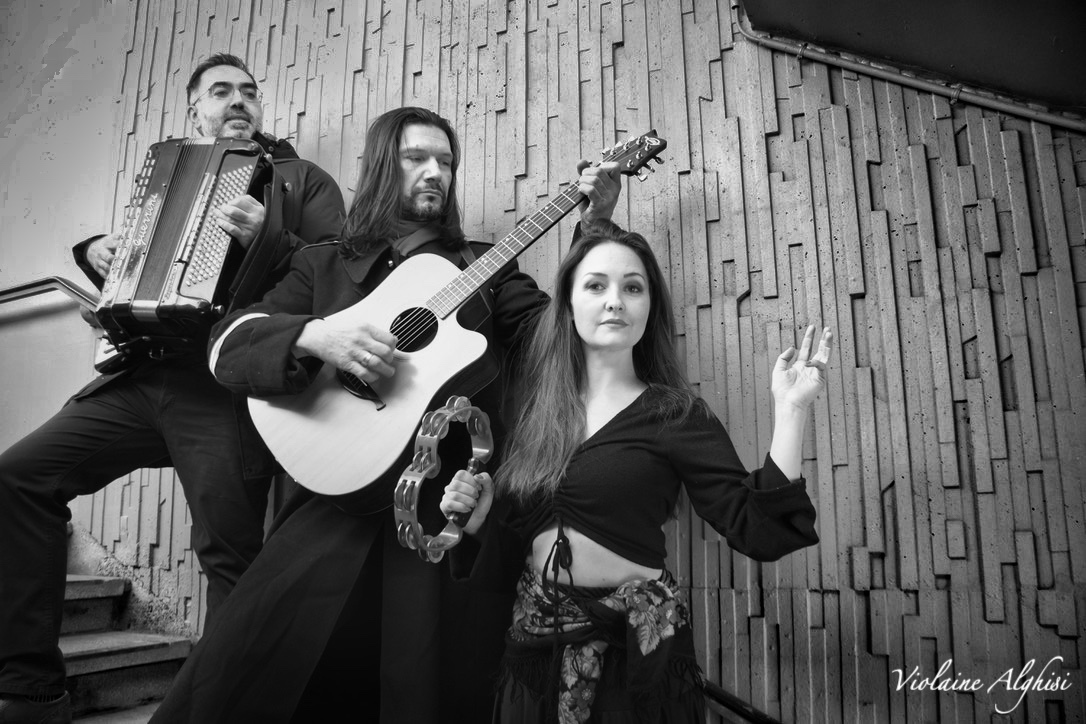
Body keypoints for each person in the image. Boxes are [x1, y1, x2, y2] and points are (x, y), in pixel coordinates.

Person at [147, 106, 623, 723]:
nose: (435, 172)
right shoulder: (322, 264)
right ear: (379, 166)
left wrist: (595, 228)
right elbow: (227, 346)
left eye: (446, 161)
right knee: (248, 672)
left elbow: (563, 348)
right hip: (330, 502)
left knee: (421, 687)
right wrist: (317, 336)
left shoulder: (487, 265)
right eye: (416, 158)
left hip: (441, 511)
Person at [0, 53, 345, 722]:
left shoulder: (300, 180)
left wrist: (269, 237)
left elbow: (337, 274)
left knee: (229, 555)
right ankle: (33, 690)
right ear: (196, 110)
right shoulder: (171, 171)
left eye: (249, 91)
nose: (239, 100)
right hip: (144, 372)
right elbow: (138, 268)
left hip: (222, 384)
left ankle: (222, 711)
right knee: (19, 478)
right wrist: (95, 251)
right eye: (221, 91)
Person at [439, 220, 834, 722]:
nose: (615, 301)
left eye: (632, 288)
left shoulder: (677, 414)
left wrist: (791, 410)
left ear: (650, 307)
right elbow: (515, 546)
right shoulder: (536, 415)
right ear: (569, 305)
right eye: (596, 286)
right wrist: (478, 522)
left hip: (633, 671)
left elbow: (756, 528)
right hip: (532, 658)